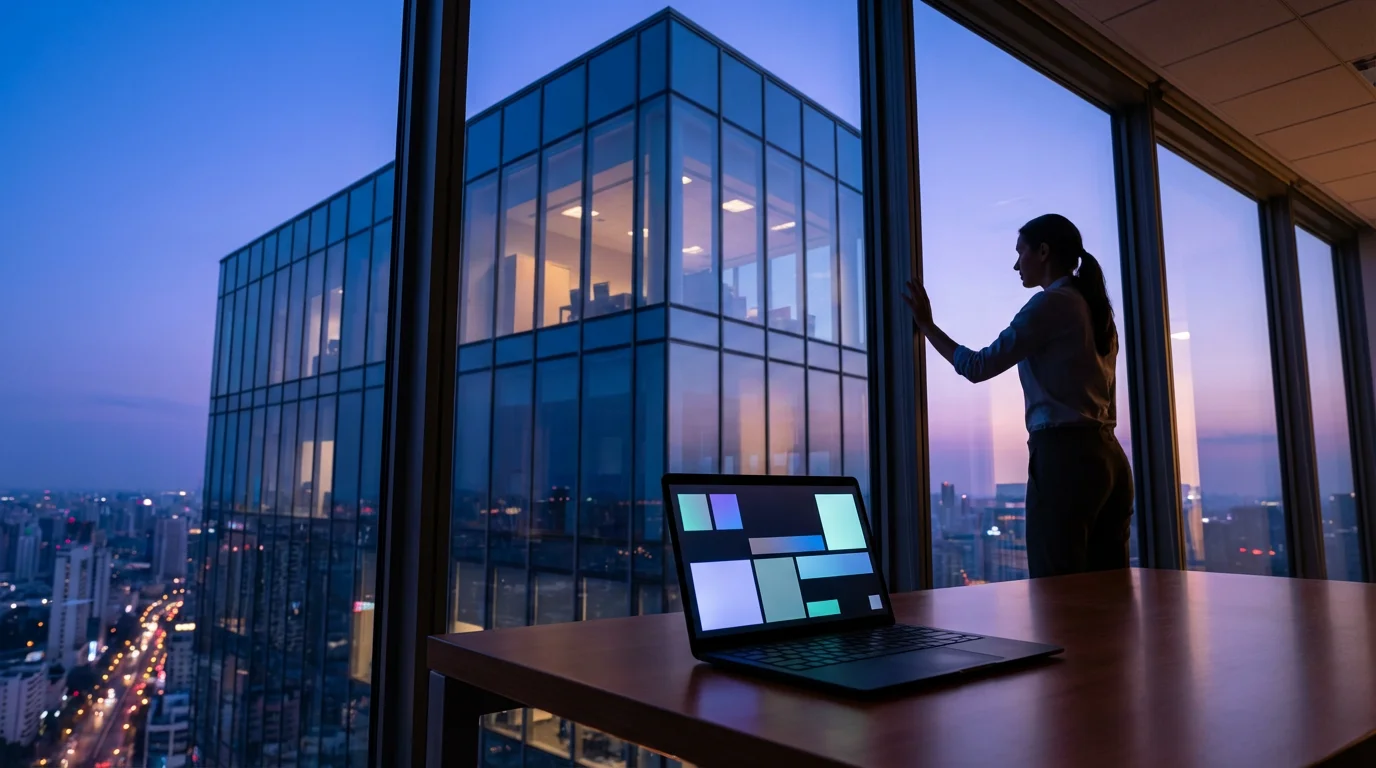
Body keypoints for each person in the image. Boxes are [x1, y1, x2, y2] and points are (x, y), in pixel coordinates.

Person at [905, 213, 1133, 578]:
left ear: (1043, 252)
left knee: (1058, 592)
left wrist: (927, 326)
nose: (1016, 265)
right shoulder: (1094, 309)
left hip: (1066, 461)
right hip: (1109, 460)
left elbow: (978, 366)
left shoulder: (1051, 305)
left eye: (1020, 252)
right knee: (1111, 591)